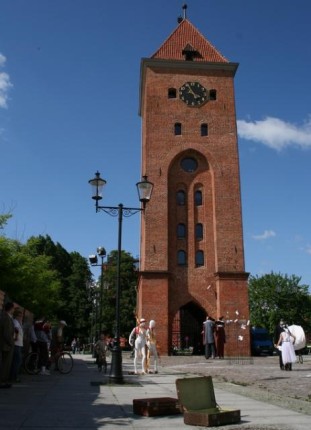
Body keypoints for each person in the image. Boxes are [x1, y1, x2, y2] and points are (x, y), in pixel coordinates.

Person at [0, 302, 15, 388]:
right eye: (13, 308)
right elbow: (6, 333)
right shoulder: (6, 318)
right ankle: (2, 381)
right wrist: (11, 343)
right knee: (5, 364)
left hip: (6, 344)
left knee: (6, 364)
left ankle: (3, 381)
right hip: (6, 345)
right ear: (11, 308)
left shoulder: (6, 317)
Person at [10, 308, 24, 383]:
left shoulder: (18, 322)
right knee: (17, 361)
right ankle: (14, 377)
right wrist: (15, 337)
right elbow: (16, 330)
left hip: (19, 344)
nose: (21, 317)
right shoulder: (15, 321)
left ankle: (14, 376)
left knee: (17, 361)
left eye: (21, 316)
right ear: (16, 316)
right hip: (16, 344)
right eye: (20, 316)